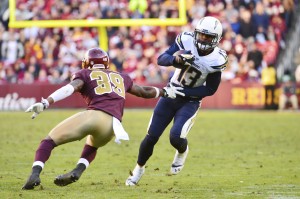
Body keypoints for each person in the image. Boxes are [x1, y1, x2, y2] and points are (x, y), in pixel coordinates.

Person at [22, 47, 184, 190]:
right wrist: (163, 92)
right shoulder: (121, 77)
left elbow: (70, 88)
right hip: (113, 126)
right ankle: (77, 171)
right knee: (92, 146)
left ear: (87, 63)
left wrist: (46, 102)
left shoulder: (84, 73)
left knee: (48, 141)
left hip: (94, 116)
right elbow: (143, 92)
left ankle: (34, 174)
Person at [125, 16, 228, 186]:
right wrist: (176, 60)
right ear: (196, 33)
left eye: (208, 37)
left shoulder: (217, 59)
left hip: (190, 101)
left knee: (176, 137)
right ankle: (138, 169)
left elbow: (211, 89)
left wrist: (185, 92)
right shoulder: (187, 40)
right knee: (151, 137)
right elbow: (161, 59)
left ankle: (182, 151)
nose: (203, 39)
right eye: (201, 35)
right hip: (170, 94)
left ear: (216, 39)